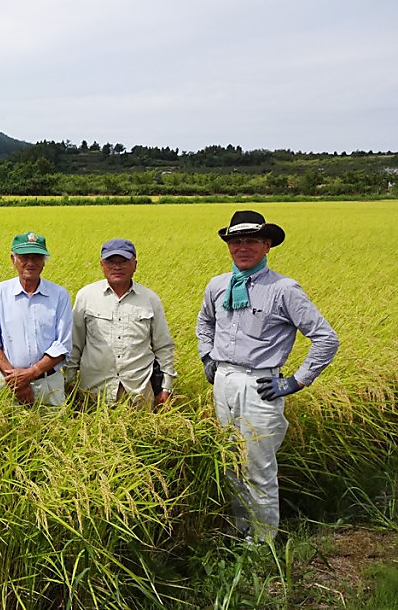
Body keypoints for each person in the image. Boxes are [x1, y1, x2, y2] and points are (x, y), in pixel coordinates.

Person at [197, 210, 338, 543]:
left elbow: (326, 338)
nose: (242, 247)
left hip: (261, 385)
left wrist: (296, 380)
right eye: (236, 241)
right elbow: (205, 323)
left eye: (251, 241)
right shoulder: (218, 285)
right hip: (224, 381)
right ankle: (240, 530)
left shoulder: (283, 289)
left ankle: (262, 544)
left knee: (258, 468)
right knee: (231, 464)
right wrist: (207, 357)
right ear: (229, 246)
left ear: (266, 245)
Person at [64, 238, 177, 410]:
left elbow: (163, 346)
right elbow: (75, 343)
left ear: (135, 265)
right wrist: (70, 382)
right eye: (111, 262)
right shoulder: (86, 296)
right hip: (93, 392)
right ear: (102, 265)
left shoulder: (150, 299)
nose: (117, 267)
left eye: (123, 261)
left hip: (137, 392)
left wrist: (166, 387)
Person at [0, 231, 72, 406]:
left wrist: (32, 372)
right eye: (24, 257)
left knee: (51, 430)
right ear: (13, 259)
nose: (30, 263)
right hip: (8, 383)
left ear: (44, 262)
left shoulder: (60, 295)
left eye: (37, 257)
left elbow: (63, 344)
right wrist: (16, 382)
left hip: (49, 384)